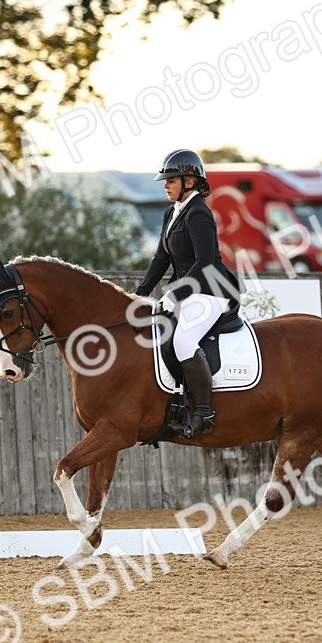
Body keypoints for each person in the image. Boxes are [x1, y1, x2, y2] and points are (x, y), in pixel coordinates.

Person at [134, 149, 243, 437]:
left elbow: (204, 261)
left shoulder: (199, 214)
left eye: (171, 180)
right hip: (190, 290)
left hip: (213, 291)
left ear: (190, 182)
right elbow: (161, 258)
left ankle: (205, 412)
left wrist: (175, 294)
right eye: (165, 180)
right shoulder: (172, 212)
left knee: (183, 339)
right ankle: (177, 402)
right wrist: (140, 292)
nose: (165, 185)